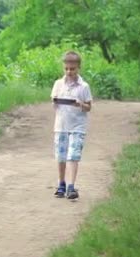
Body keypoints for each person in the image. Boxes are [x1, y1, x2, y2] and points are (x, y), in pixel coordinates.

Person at [50, 51, 92, 200]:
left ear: (78, 68)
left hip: (77, 126)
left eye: (72, 69)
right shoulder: (58, 84)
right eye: (66, 68)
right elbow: (54, 101)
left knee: (73, 156)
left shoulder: (83, 86)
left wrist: (80, 104)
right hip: (61, 126)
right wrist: (56, 100)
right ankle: (61, 183)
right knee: (61, 157)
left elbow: (89, 107)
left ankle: (71, 186)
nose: (69, 72)